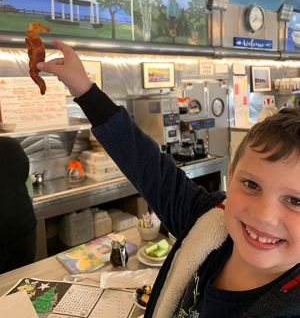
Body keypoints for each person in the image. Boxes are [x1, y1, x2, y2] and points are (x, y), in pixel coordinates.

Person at [37, 40, 300, 318]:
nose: (265, 216)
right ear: (231, 177)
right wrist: (85, 91)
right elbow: (148, 166)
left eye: (295, 200)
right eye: (251, 185)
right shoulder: (209, 221)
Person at [0, 137, 36, 273]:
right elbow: (25, 178)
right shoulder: (11, 145)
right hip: (22, 231)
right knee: (22, 281)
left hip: (20, 230)